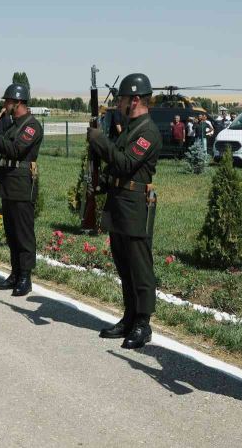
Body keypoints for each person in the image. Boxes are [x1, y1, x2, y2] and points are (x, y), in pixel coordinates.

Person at [87, 74, 161, 349]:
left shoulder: (148, 131)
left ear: (137, 99)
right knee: (124, 265)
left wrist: (100, 142)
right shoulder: (130, 128)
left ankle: (143, 323)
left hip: (134, 206)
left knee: (140, 267)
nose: (118, 103)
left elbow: (126, 163)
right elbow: (114, 168)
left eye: (122, 99)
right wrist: (100, 183)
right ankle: (129, 316)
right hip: (119, 203)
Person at [0, 83, 43, 296]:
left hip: (22, 185)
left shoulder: (31, 126)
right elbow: (4, 155)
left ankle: (25, 277)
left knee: (23, 233)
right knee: (11, 233)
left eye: (8, 101)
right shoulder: (12, 125)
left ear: (18, 102)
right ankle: (15, 272)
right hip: (8, 183)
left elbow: (16, 150)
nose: (5, 104)